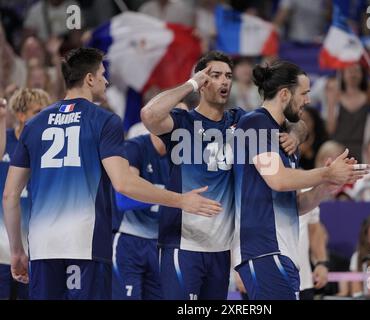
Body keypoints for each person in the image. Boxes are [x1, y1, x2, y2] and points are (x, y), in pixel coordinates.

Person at [2, 47, 221, 300]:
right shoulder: (105, 121)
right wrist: (181, 200)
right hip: (86, 245)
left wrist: (17, 251)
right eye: (102, 74)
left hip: (41, 247)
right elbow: (124, 183)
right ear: (89, 79)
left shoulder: (33, 124)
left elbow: (10, 196)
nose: (106, 81)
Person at [140, 50, 299, 300]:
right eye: (215, 75)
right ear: (202, 82)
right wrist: (191, 83)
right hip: (183, 243)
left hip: (222, 248)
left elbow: (294, 117)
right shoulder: (182, 123)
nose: (224, 81)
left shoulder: (242, 122)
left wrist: (295, 135)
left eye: (228, 76)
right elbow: (149, 115)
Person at [233, 60, 367, 300]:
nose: (308, 100)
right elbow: (278, 179)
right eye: (304, 93)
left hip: (286, 251)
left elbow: (297, 205)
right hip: (263, 249)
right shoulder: (254, 123)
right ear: (284, 94)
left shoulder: (287, 138)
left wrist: (326, 185)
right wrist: (326, 172)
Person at [0, 88, 50, 300]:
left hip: (35, 252)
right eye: (38, 111)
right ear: (21, 115)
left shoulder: (50, 148)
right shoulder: (5, 142)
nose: (44, 117)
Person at [112, 133, 169, 300]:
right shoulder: (134, 147)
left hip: (162, 243)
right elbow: (124, 198)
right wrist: (171, 197)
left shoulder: (182, 155)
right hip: (130, 240)